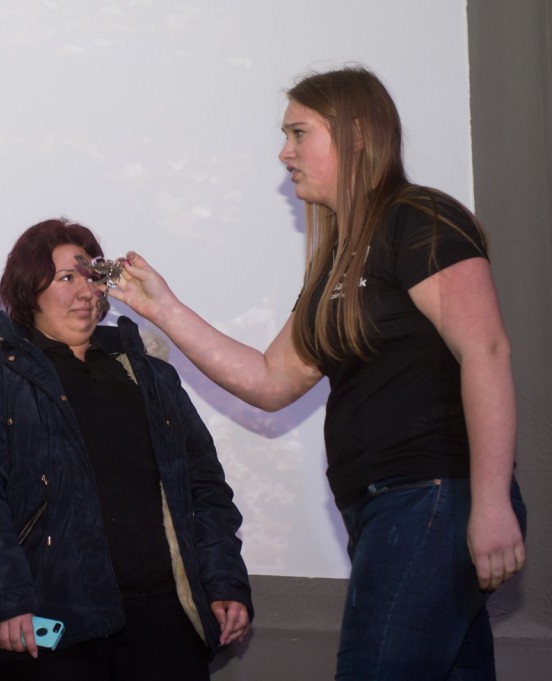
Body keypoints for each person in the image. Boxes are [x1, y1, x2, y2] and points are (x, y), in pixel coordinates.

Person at [108, 66, 526, 680]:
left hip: (430, 497)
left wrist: (489, 503)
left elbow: (486, 351)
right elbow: (270, 380)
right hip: (387, 510)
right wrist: (163, 309)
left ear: (355, 134)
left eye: (299, 133)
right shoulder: (337, 261)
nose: (285, 152)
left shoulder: (419, 218)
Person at [0, 218, 252, 681]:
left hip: (163, 621)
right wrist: (7, 599)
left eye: (93, 277)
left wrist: (224, 580)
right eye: (67, 278)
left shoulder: (149, 374)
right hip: (51, 628)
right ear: (29, 289)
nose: (86, 292)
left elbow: (204, 486)